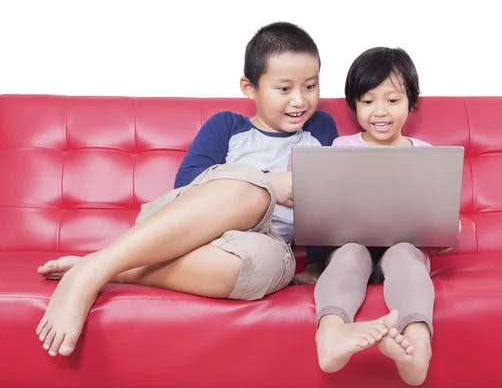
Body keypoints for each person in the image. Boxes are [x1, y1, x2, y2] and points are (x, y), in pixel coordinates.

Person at [35, 21, 338, 358]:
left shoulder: (321, 129)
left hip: (260, 244)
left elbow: (326, 202)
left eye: (310, 86)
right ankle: (89, 276)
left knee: (256, 271)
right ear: (250, 87)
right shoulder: (227, 126)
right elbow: (187, 184)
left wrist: (314, 265)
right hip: (184, 230)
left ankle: (100, 265)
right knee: (255, 191)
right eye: (284, 89)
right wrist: (268, 180)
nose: (300, 100)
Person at [312, 47, 460, 386]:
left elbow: (448, 225)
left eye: (392, 101)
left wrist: (444, 230)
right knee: (349, 254)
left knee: (406, 256)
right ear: (354, 105)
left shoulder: (425, 154)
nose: (380, 111)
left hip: (404, 249)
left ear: (411, 102)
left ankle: (417, 347)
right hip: (353, 246)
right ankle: (331, 335)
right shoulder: (341, 148)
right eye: (368, 101)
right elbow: (327, 209)